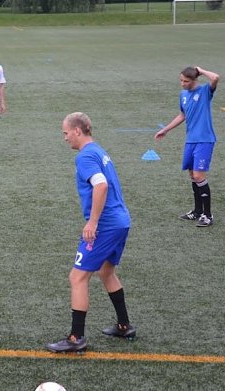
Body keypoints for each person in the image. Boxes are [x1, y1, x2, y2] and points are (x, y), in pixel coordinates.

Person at [47, 112, 135, 353]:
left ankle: (76, 338)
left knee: (77, 277)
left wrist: (93, 223)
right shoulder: (99, 150)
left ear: (77, 131)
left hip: (106, 225)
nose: (65, 138)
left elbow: (101, 185)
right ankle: (124, 325)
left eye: (66, 133)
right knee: (107, 272)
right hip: (121, 221)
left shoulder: (85, 156)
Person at [154, 66, 220, 227]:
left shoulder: (205, 92)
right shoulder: (183, 95)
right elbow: (182, 114)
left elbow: (216, 78)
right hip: (190, 140)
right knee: (192, 175)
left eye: (186, 81)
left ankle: (208, 215)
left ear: (195, 80)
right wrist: (165, 129)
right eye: (181, 80)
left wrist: (200, 70)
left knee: (198, 176)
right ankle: (197, 211)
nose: (182, 84)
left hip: (204, 140)